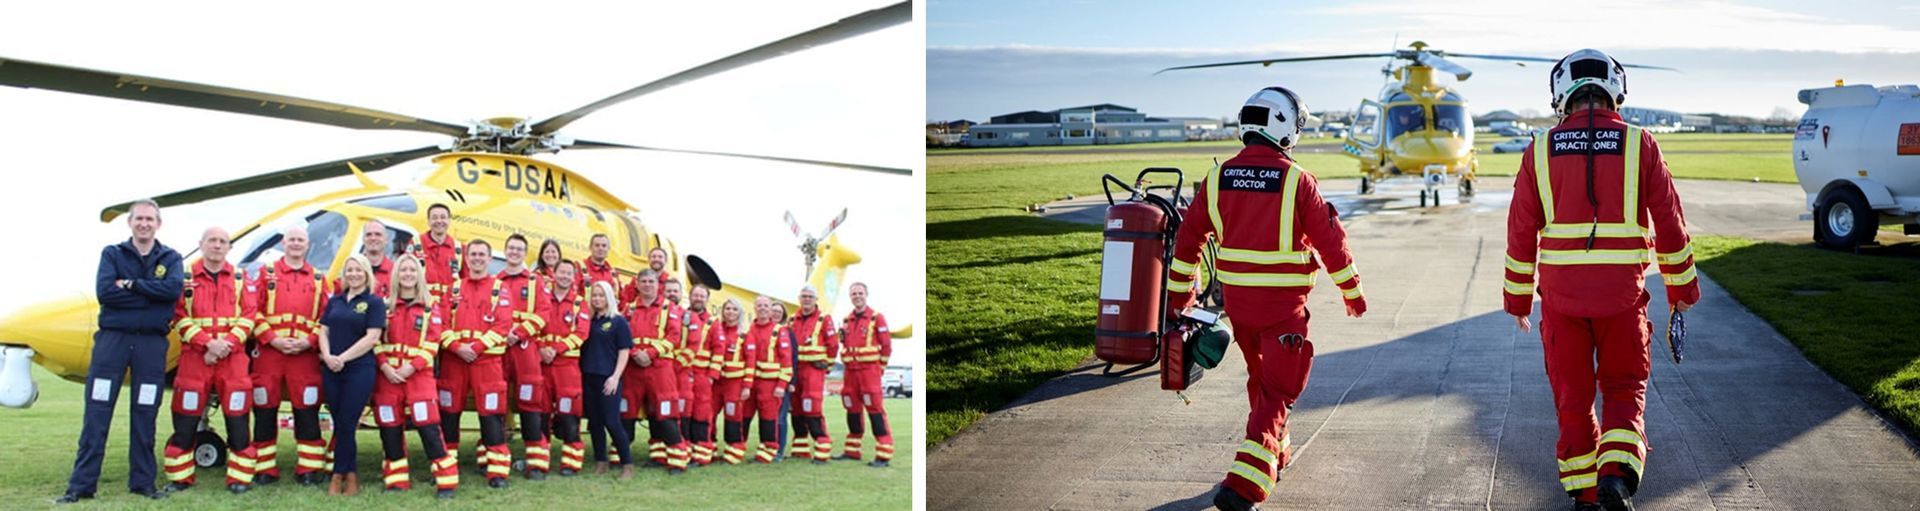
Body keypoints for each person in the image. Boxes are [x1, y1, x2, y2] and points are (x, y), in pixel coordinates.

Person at [1504, 49, 1699, 511]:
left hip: (1560, 303)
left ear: (1560, 94)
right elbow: (1670, 224)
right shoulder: (1640, 144)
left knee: (1572, 397)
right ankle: (1616, 475)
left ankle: (1584, 493)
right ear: (1617, 90)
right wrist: (1682, 291)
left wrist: (1516, 303)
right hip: (1622, 299)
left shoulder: (1539, 150)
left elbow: (1520, 232)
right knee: (1624, 386)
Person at [1164, 87, 1369, 511]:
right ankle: (1245, 483)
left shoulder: (1217, 178)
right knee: (1280, 387)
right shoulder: (1297, 180)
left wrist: (1179, 299)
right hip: (1283, 312)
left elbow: (1186, 243)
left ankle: (1277, 451)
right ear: (1283, 127)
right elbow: (1331, 244)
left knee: (1261, 380)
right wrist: (1353, 294)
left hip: (1239, 308)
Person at [60, 199, 183, 504]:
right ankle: (81, 486)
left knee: (145, 413)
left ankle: (143, 483)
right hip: (112, 343)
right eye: (139, 218)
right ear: (130, 222)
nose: (144, 224)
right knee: (97, 413)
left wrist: (129, 285)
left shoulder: (171, 257)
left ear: (158, 224)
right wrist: (148, 295)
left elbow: (171, 292)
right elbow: (106, 292)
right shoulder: (112, 254)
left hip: (151, 345)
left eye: (149, 219)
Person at [161, 227, 256, 495]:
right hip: (195, 359)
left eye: (222, 241)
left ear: (229, 247)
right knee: (185, 420)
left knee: (238, 421)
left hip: (233, 360)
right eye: (212, 241)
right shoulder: (184, 277)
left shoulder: (240, 278)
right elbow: (179, 315)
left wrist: (225, 345)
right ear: (201, 244)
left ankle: (240, 478)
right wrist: (207, 344)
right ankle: (180, 478)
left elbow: (249, 315)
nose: (217, 245)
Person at [246, 225, 335, 486]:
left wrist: (308, 342)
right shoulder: (267, 273)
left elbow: (326, 318)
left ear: (307, 245)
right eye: (292, 240)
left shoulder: (319, 279)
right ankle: (265, 468)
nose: (296, 244)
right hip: (270, 355)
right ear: (283, 243)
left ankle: (308, 468)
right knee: (264, 409)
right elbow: (253, 311)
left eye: (301, 240)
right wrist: (272, 339)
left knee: (307, 410)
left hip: (304, 356)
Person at [371, 255, 458, 499]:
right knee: (389, 428)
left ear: (418, 275)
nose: (407, 274)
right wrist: (385, 366)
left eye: (412, 270)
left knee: (428, 426)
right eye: (403, 270)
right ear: (396, 274)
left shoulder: (431, 306)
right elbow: (374, 339)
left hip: (419, 376)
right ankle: (396, 480)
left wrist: (412, 367)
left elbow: (433, 342)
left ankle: (446, 481)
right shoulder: (384, 305)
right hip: (388, 377)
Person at [438, 239, 514, 488]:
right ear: (466, 258)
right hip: (454, 361)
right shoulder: (454, 288)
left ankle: (497, 471)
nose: (477, 258)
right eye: (473, 254)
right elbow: (441, 323)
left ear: (490, 259)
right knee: (449, 415)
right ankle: (446, 468)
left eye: (482, 254)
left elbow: (503, 325)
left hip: (487, 363)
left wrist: (477, 348)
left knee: (491, 416)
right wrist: (458, 347)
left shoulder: (499, 288)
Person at [317, 254, 386, 496]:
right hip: (331, 369)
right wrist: (327, 356)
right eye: (350, 270)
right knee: (340, 423)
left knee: (347, 422)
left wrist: (342, 358)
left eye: (359, 270)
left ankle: (338, 476)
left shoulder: (375, 302)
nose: (354, 274)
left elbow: (372, 337)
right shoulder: (335, 301)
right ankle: (351, 473)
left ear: (367, 273)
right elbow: (323, 331)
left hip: (359, 369)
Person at [496, 234, 555, 479]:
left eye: (519, 249)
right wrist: (502, 334)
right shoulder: (494, 281)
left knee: (530, 402)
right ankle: (494, 459)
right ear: (505, 250)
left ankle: (536, 462)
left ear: (525, 253)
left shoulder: (535, 281)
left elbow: (544, 313)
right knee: (495, 401)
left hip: (525, 348)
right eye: (511, 248)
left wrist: (519, 333)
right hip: (497, 348)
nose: (514, 252)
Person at [621, 270, 689, 473]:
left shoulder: (670, 308)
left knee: (666, 412)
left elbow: (674, 337)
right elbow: (622, 335)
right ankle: (624, 456)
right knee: (626, 411)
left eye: (651, 281)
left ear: (658, 285)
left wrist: (649, 354)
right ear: (638, 285)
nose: (648, 285)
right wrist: (634, 353)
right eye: (644, 281)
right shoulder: (629, 309)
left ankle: (677, 460)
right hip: (633, 368)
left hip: (660, 368)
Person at [537, 259, 591, 476]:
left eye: (569, 273)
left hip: (567, 368)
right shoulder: (541, 299)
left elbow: (581, 334)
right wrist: (541, 348)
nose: (565, 276)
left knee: (570, 414)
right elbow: (534, 325)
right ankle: (539, 463)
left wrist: (555, 349)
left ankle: (571, 462)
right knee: (540, 413)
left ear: (574, 277)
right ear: (554, 274)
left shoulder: (580, 304)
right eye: (562, 272)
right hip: (542, 365)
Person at [579, 281, 636, 480]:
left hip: (609, 378)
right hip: (589, 376)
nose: (597, 299)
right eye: (594, 295)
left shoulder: (618, 321)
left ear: (609, 297)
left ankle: (627, 464)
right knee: (594, 423)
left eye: (601, 295)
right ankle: (601, 461)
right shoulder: (588, 321)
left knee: (612, 422)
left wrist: (615, 377)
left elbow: (624, 351)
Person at [837, 282, 895, 467]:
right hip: (850, 373)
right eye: (853, 293)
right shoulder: (846, 320)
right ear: (850, 296)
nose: (857, 296)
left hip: (869, 372)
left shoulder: (877, 318)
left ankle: (883, 453)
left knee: (875, 411)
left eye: (860, 293)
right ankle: (852, 450)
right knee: (851, 409)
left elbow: (886, 346)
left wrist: (880, 369)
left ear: (866, 294)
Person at [787, 286, 838, 464]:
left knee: (812, 407)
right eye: (804, 296)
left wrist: (827, 367)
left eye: (810, 297)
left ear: (816, 300)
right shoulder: (792, 319)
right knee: (796, 408)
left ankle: (822, 446)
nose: (807, 299)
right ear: (799, 299)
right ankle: (800, 448)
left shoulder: (824, 319)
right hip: (796, 370)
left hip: (813, 370)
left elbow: (833, 345)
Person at [743, 296, 792, 464]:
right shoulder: (750, 328)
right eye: (759, 306)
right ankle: (738, 448)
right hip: (752, 382)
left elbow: (787, 360)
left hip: (770, 384)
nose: (762, 308)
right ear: (754, 308)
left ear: (770, 309)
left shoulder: (779, 330)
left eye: (766, 306)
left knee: (768, 418)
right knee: (745, 416)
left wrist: (782, 385)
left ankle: (768, 451)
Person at [680, 285, 719, 466]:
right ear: (690, 296)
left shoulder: (713, 322)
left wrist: (712, 375)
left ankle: (702, 454)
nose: (698, 298)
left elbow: (719, 351)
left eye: (702, 296)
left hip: (703, 376)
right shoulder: (681, 316)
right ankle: (683, 451)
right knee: (683, 413)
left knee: (701, 414)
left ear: (707, 299)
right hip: (683, 372)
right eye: (695, 295)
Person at [710, 298, 752, 464]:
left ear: (739, 313)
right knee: (709, 414)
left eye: (734, 309)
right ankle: (708, 448)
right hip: (716, 382)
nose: (730, 312)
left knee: (733, 416)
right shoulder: (716, 330)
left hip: (734, 384)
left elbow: (750, 362)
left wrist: (747, 386)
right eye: (727, 308)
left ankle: (734, 451)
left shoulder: (745, 334)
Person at [413, 204, 460, 304]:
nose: (439, 221)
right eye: (434, 218)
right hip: (421, 305)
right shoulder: (416, 244)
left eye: (443, 217)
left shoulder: (459, 249)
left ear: (449, 220)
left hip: (448, 309)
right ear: (428, 221)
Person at [358, 219, 394, 298]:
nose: (373, 238)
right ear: (363, 239)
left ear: (386, 240)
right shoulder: (352, 270)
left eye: (378, 234)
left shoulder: (395, 272)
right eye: (369, 235)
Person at [579, 234, 623, 299]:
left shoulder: (613, 275)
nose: (600, 248)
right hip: (586, 309)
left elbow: (623, 299)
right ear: (590, 248)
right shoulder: (580, 268)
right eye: (597, 245)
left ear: (608, 249)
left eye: (604, 246)